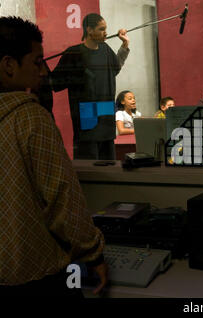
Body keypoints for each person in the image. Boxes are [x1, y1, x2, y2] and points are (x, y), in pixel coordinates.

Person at [0, 16, 107, 297]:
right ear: (9, 66)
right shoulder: (30, 117)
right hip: (36, 276)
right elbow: (62, 197)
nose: (43, 72)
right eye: (37, 62)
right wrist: (93, 255)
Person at [50, 13, 130, 160]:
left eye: (106, 29)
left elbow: (115, 69)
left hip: (106, 117)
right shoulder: (74, 53)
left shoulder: (105, 49)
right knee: (89, 163)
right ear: (89, 30)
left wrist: (124, 45)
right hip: (87, 121)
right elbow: (55, 82)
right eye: (101, 29)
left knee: (109, 164)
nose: (105, 32)